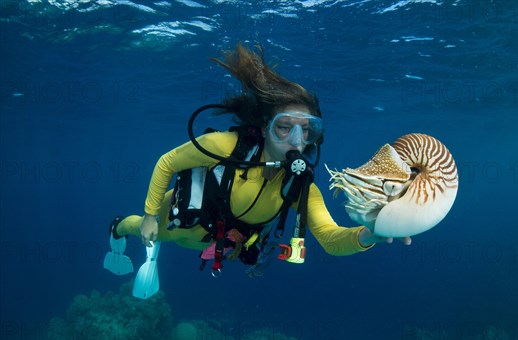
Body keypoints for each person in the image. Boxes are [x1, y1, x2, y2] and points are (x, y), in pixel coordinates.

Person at [105, 44, 407, 289]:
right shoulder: (225, 147)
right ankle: (117, 227)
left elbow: (330, 239)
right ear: (264, 129)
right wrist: (147, 217)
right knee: (139, 230)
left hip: (222, 245)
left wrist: (370, 235)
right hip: (177, 223)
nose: (296, 140)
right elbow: (167, 162)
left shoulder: (300, 188)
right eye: (284, 127)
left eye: (307, 130)